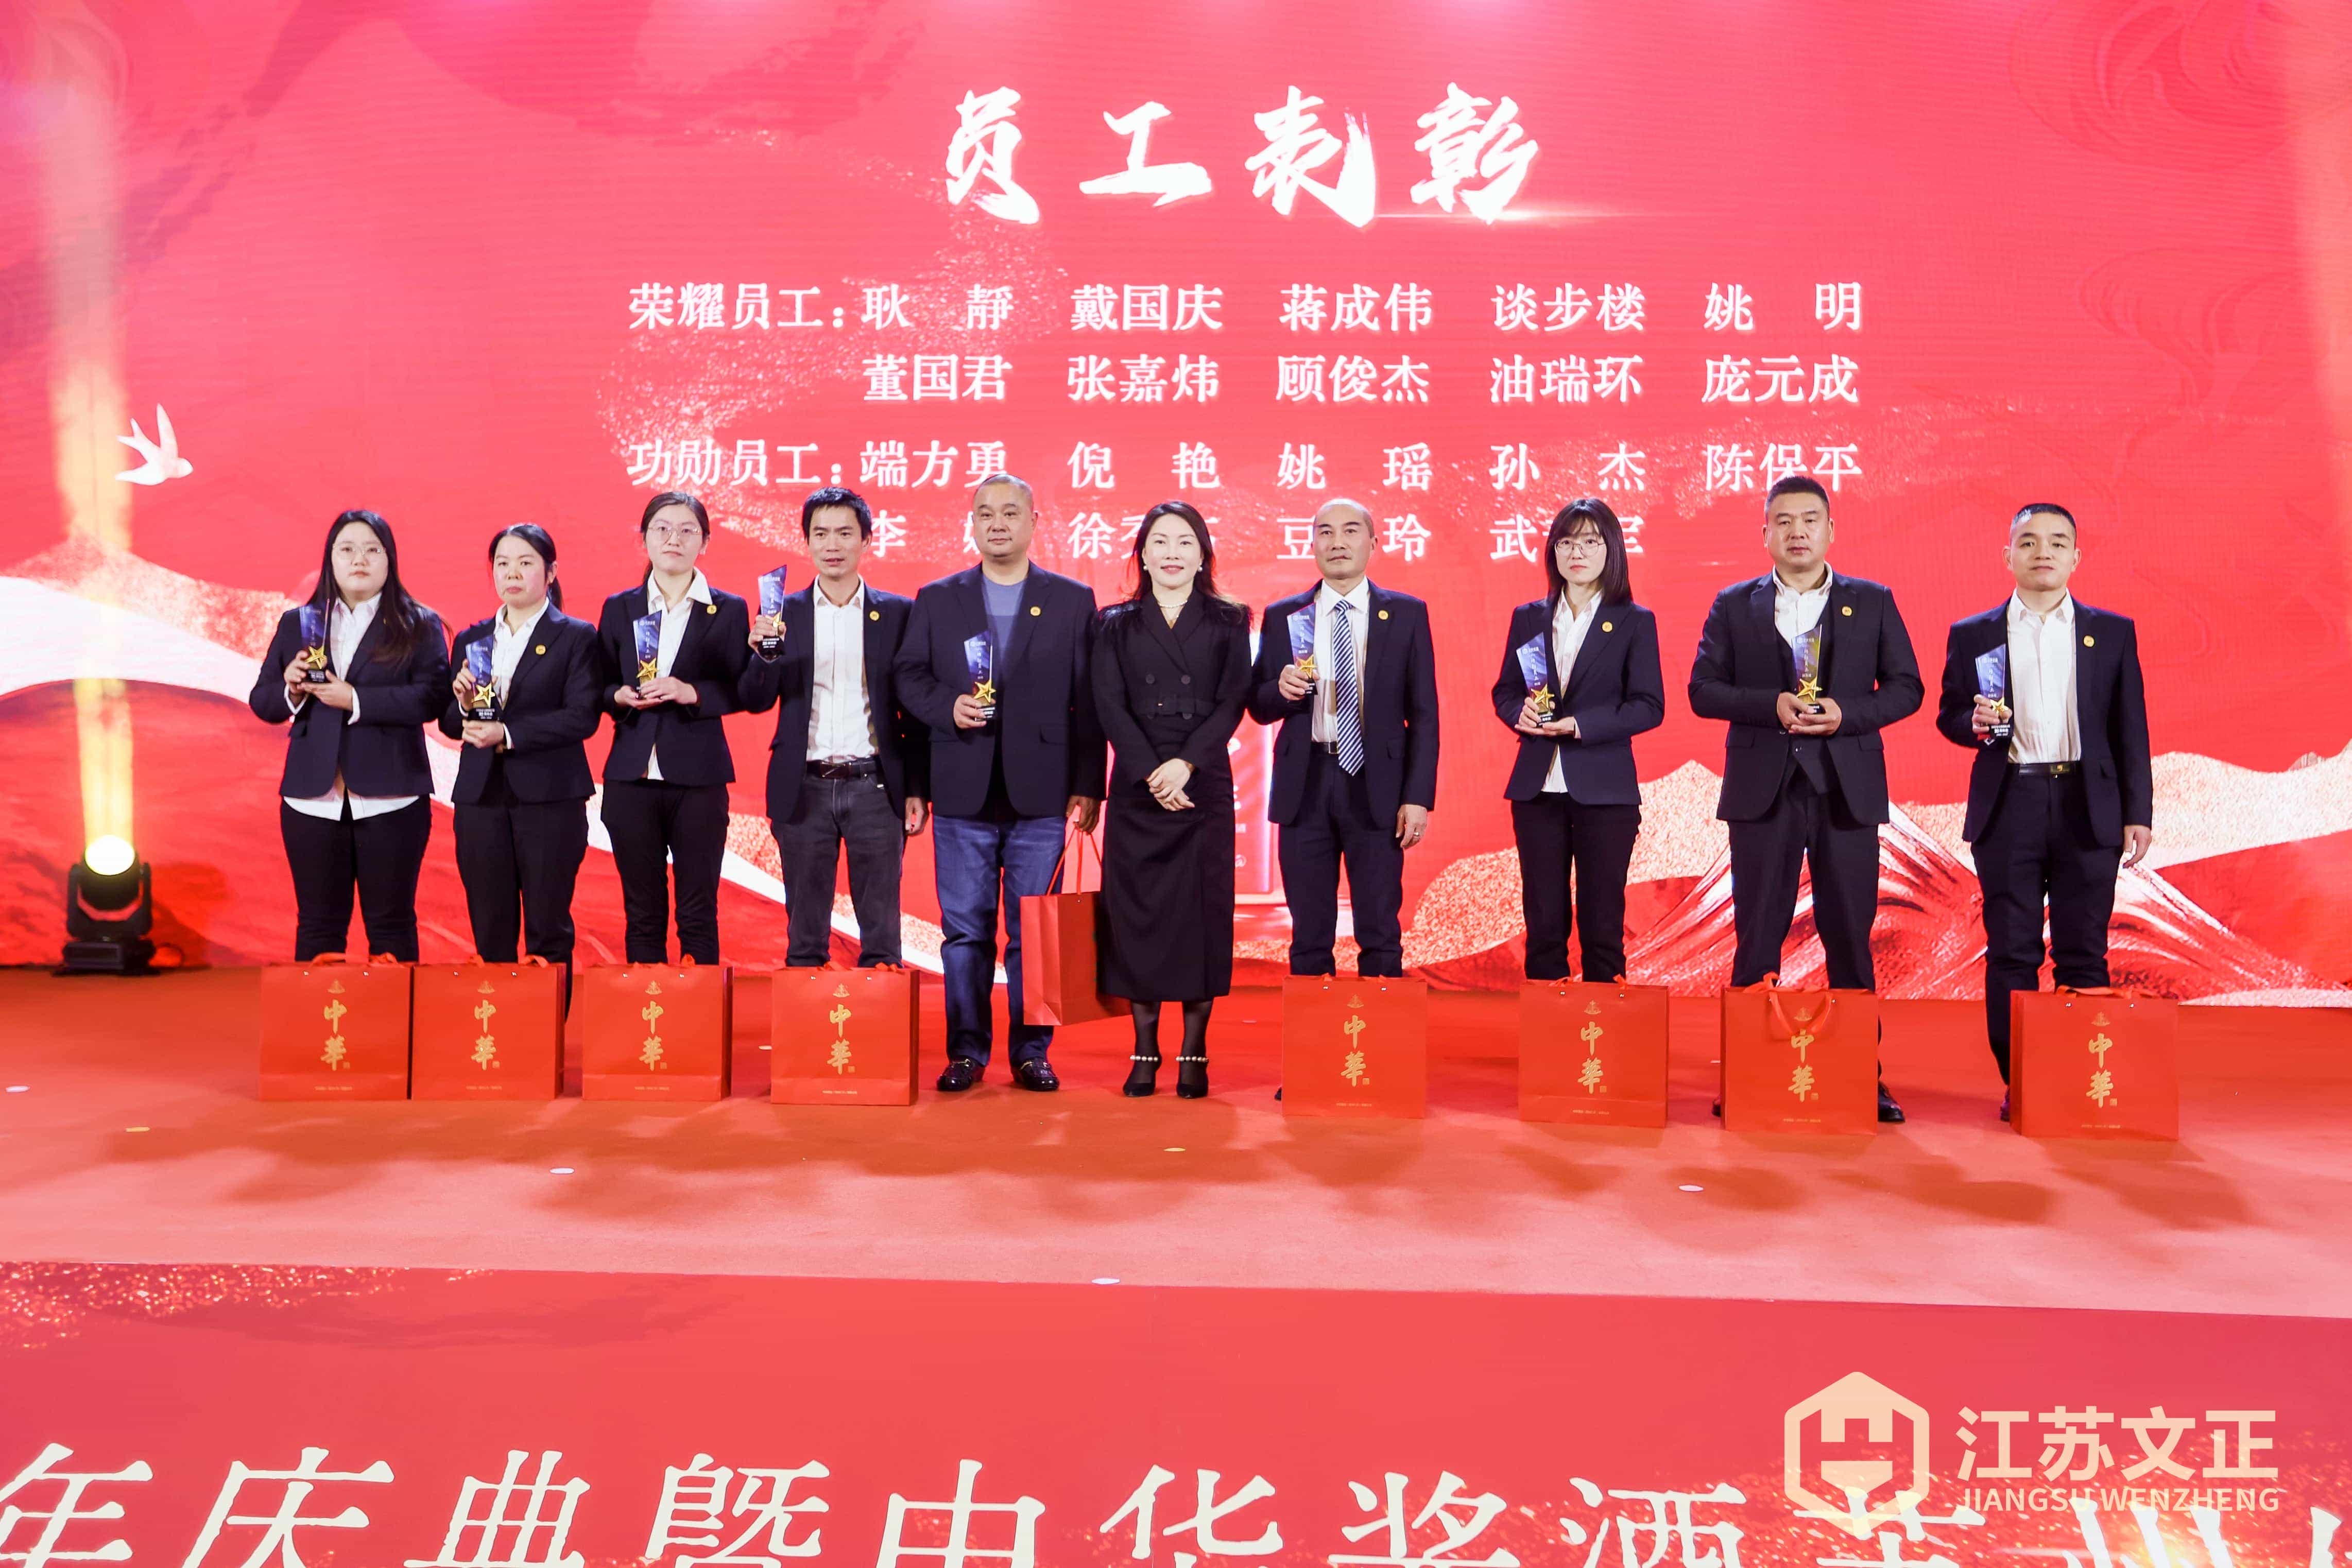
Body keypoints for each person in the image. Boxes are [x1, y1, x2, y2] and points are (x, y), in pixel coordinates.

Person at [1689, 474, 1923, 1122]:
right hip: (1762, 790)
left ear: (1830, 530)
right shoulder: (1734, 604)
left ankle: (1863, 1073)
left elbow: (1906, 688)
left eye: (1809, 520)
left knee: (1849, 932)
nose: (1797, 532)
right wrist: (1771, 705)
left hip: (1846, 789)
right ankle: (1746, 1071)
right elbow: (1702, 690)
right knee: (1756, 933)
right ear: (1765, 532)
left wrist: (1847, 714)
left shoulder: (1871, 601)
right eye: (1784, 521)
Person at [1935, 503, 2152, 1117]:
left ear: (2076, 558)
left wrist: (2137, 811)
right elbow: (1950, 715)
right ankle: (2023, 1081)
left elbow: (2130, 727)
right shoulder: (1973, 633)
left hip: (2088, 804)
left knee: (2083, 949)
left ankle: (2080, 1080)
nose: (2043, 552)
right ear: (2008, 556)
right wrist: (1972, 724)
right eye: (2028, 542)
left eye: (2057, 542)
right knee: (2012, 950)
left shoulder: (2111, 632)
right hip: (2011, 802)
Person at [894, 474, 1106, 1093]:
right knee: (965, 932)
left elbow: (1089, 701)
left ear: (1034, 521)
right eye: (985, 513)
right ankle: (966, 1052)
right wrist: (946, 708)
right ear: (972, 523)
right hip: (961, 786)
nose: (997, 523)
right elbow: (908, 678)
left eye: (1010, 513)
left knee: (1034, 934)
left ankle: (1031, 1053)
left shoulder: (1071, 600)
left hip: (1043, 792)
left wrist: (1089, 783)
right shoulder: (939, 598)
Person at [1092, 502, 1253, 1098]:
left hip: (1201, 780)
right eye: (1159, 542)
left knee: (1200, 918)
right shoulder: (1113, 623)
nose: (1171, 553)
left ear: (1202, 554)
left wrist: (1185, 765)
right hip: (1138, 788)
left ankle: (1194, 1048)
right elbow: (1108, 703)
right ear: (1141, 554)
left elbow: (1233, 700)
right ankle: (1143, 1048)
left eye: (1184, 542)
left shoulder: (1230, 619)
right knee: (1138, 916)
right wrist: (1150, 772)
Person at [1247, 497, 1440, 984]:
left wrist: (1417, 797)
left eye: (1350, 531)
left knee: (1380, 927)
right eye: (1325, 532)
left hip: (1377, 785)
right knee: (1309, 932)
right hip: (1305, 782)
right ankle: (1315, 1031)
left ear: (1373, 543)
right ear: (1312, 544)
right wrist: (1280, 690)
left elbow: (1424, 713)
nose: (1337, 542)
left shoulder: (1405, 613)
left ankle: (1381, 1028)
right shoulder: (1284, 615)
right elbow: (1259, 704)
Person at [737, 486, 929, 967]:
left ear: (867, 540)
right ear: (806, 542)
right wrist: (761, 654)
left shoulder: (899, 613)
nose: (832, 545)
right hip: (803, 786)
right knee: (805, 937)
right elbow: (756, 699)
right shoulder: (783, 612)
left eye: (845, 533)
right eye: (820, 534)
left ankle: (879, 1013)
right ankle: (810, 1017)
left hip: (876, 786)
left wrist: (916, 788)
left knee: (882, 936)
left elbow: (914, 710)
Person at [248, 509, 449, 962]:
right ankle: (320, 1014)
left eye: (372, 549)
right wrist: (290, 689)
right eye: (347, 549)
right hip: (311, 799)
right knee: (318, 926)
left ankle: (392, 1013)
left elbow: (433, 699)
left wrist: (356, 700)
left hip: (392, 797)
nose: (359, 559)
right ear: (330, 559)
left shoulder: (419, 624)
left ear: (389, 559)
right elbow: (263, 701)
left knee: (391, 925)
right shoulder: (298, 623)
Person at [1490, 498, 1664, 983]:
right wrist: (1518, 713)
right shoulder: (1528, 617)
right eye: (1566, 542)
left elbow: (1648, 705)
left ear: (1612, 549)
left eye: (1590, 541)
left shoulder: (1633, 620)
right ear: (1553, 551)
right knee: (1543, 920)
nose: (1576, 552)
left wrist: (1578, 725)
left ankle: (1602, 1023)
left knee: (1602, 921)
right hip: (1536, 789)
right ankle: (1547, 1021)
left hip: (1605, 792)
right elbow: (1506, 691)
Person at [594, 491, 750, 964]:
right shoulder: (620, 607)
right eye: (662, 529)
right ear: (644, 538)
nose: (673, 539)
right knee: (642, 913)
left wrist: (693, 692)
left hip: (699, 779)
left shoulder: (728, 609)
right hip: (631, 777)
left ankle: (698, 1013)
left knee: (698, 912)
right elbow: (597, 684)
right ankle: (649, 1010)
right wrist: (617, 696)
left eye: (687, 530)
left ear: (705, 542)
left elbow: (741, 689)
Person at [440, 524, 600, 983]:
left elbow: (582, 717)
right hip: (480, 798)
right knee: (490, 928)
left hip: (550, 798)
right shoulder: (472, 637)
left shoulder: (576, 636)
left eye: (525, 562)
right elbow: (451, 721)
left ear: (550, 572)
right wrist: (464, 705)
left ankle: (545, 1025)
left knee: (548, 929)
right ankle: (498, 1023)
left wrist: (507, 733)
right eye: (503, 563)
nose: (512, 573)